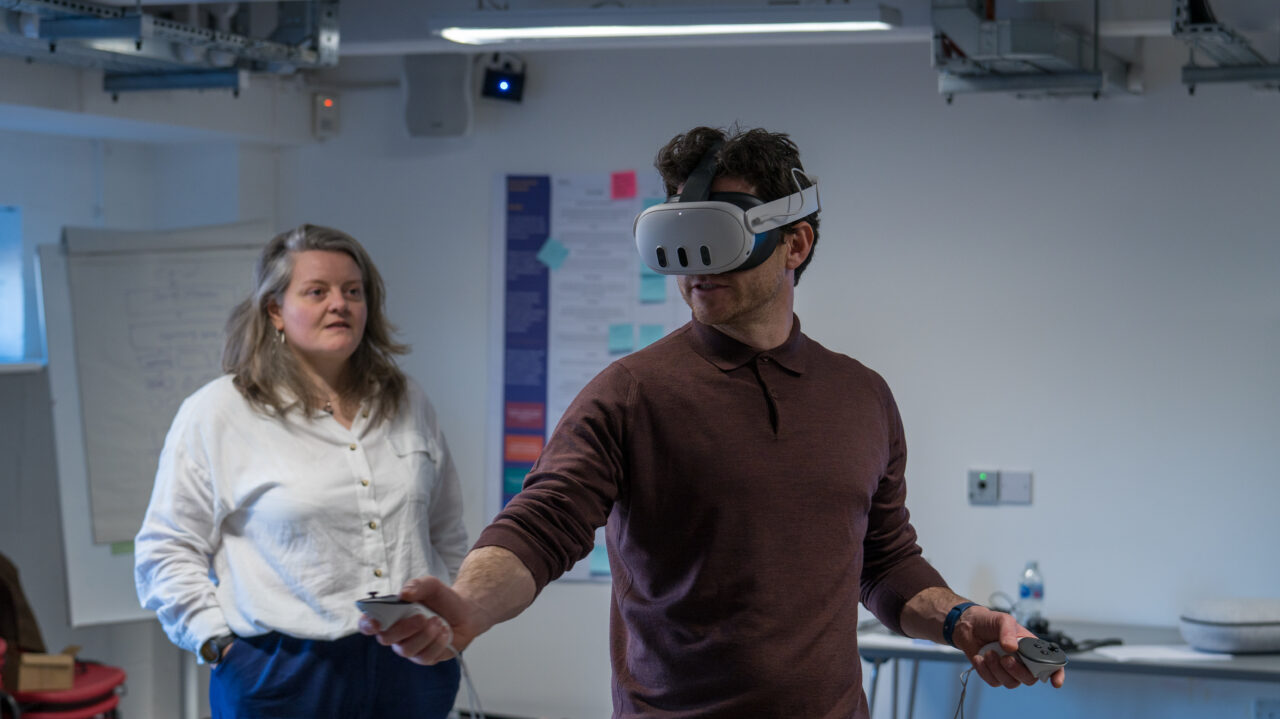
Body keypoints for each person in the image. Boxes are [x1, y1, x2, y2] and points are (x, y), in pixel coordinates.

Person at [363, 127, 1066, 717]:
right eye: (679, 235)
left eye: (718, 236)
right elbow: (542, 524)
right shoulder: (629, 393)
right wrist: (469, 605)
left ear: (795, 244)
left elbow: (884, 561)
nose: (694, 267)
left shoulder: (862, 396)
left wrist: (959, 619)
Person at [135, 224, 468, 719]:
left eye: (353, 292)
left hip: (410, 666)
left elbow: (446, 531)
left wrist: (449, 623)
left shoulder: (408, 399)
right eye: (317, 292)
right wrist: (217, 645)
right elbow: (167, 548)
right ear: (275, 311)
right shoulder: (219, 411)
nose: (340, 304)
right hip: (281, 672)